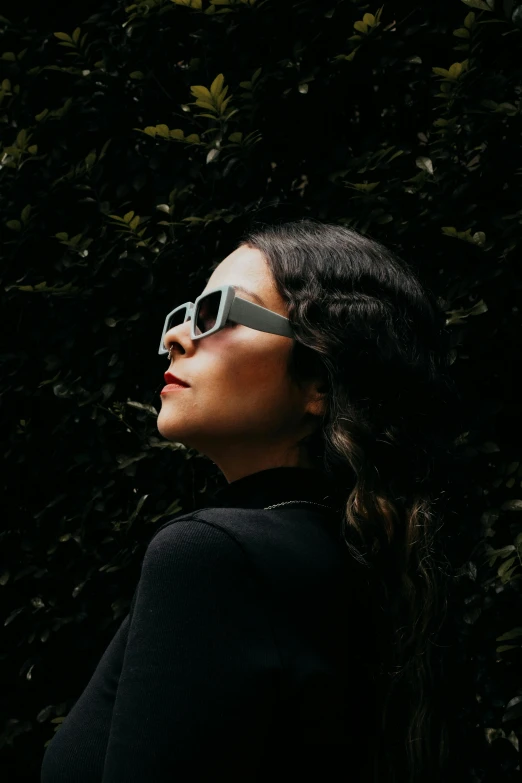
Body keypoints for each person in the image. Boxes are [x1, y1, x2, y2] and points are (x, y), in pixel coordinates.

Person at [41, 218, 462, 782]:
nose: (176, 338)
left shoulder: (212, 558)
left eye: (218, 312)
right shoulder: (384, 567)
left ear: (319, 379)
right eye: (186, 314)